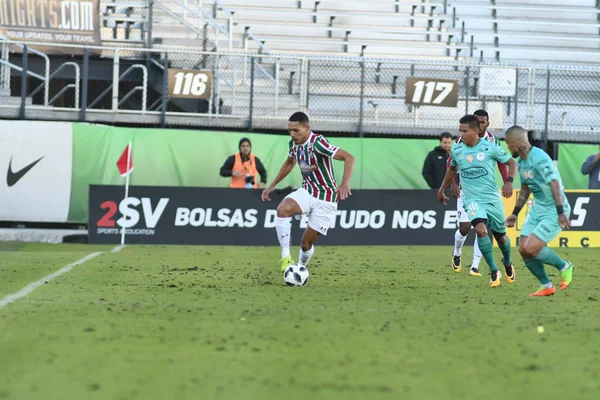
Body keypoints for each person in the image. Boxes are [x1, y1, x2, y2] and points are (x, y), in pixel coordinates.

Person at [261, 112, 355, 271]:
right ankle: (285, 258)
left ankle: (300, 268)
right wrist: (273, 185)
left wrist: (345, 183)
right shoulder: (293, 143)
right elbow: (290, 162)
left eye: (296, 130)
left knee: (306, 244)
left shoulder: (318, 142)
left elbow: (349, 157)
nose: (292, 134)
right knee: (282, 210)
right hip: (308, 191)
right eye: (290, 130)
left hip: (326, 198)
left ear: (307, 128)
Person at [438, 115, 517, 288]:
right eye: (460, 131)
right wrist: (443, 188)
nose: (461, 134)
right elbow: (451, 170)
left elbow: (511, 163)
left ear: (475, 131)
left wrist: (509, 181)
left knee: (501, 237)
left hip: (491, 198)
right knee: (480, 230)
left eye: (464, 131)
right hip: (471, 198)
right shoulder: (457, 150)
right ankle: (493, 270)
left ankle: (508, 262)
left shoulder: (491, 146)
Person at [505, 126, 574, 297]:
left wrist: (560, 212)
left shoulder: (540, 158)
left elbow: (554, 184)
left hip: (553, 210)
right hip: (538, 209)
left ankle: (565, 266)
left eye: (508, 144)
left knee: (532, 247)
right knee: (523, 248)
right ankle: (547, 286)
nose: (507, 148)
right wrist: (515, 212)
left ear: (515, 143)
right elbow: (526, 188)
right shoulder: (521, 162)